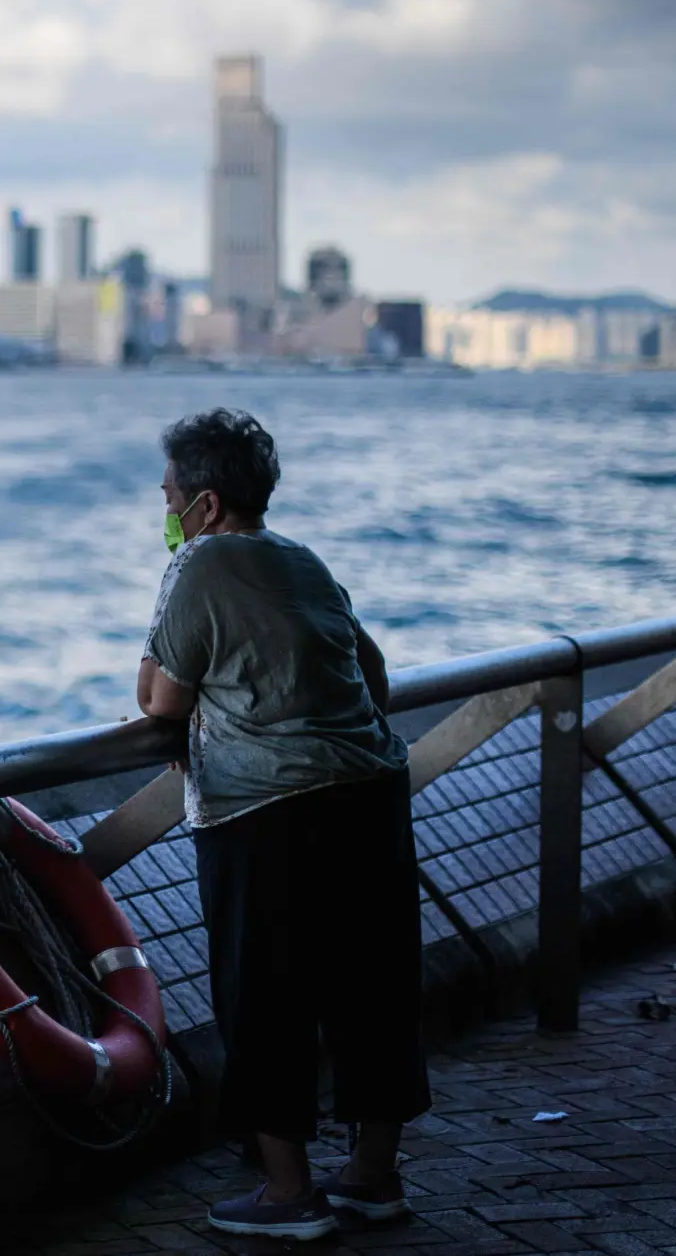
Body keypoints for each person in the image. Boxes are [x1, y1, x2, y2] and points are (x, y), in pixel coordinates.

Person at [135, 408, 429, 1241]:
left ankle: (287, 1193)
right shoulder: (304, 561)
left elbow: (161, 697)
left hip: (267, 811)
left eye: (167, 496)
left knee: (264, 994)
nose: (162, 511)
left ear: (206, 504)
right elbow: (370, 669)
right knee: (374, 986)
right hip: (369, 791)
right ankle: (373, 1177)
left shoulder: (199, 562)